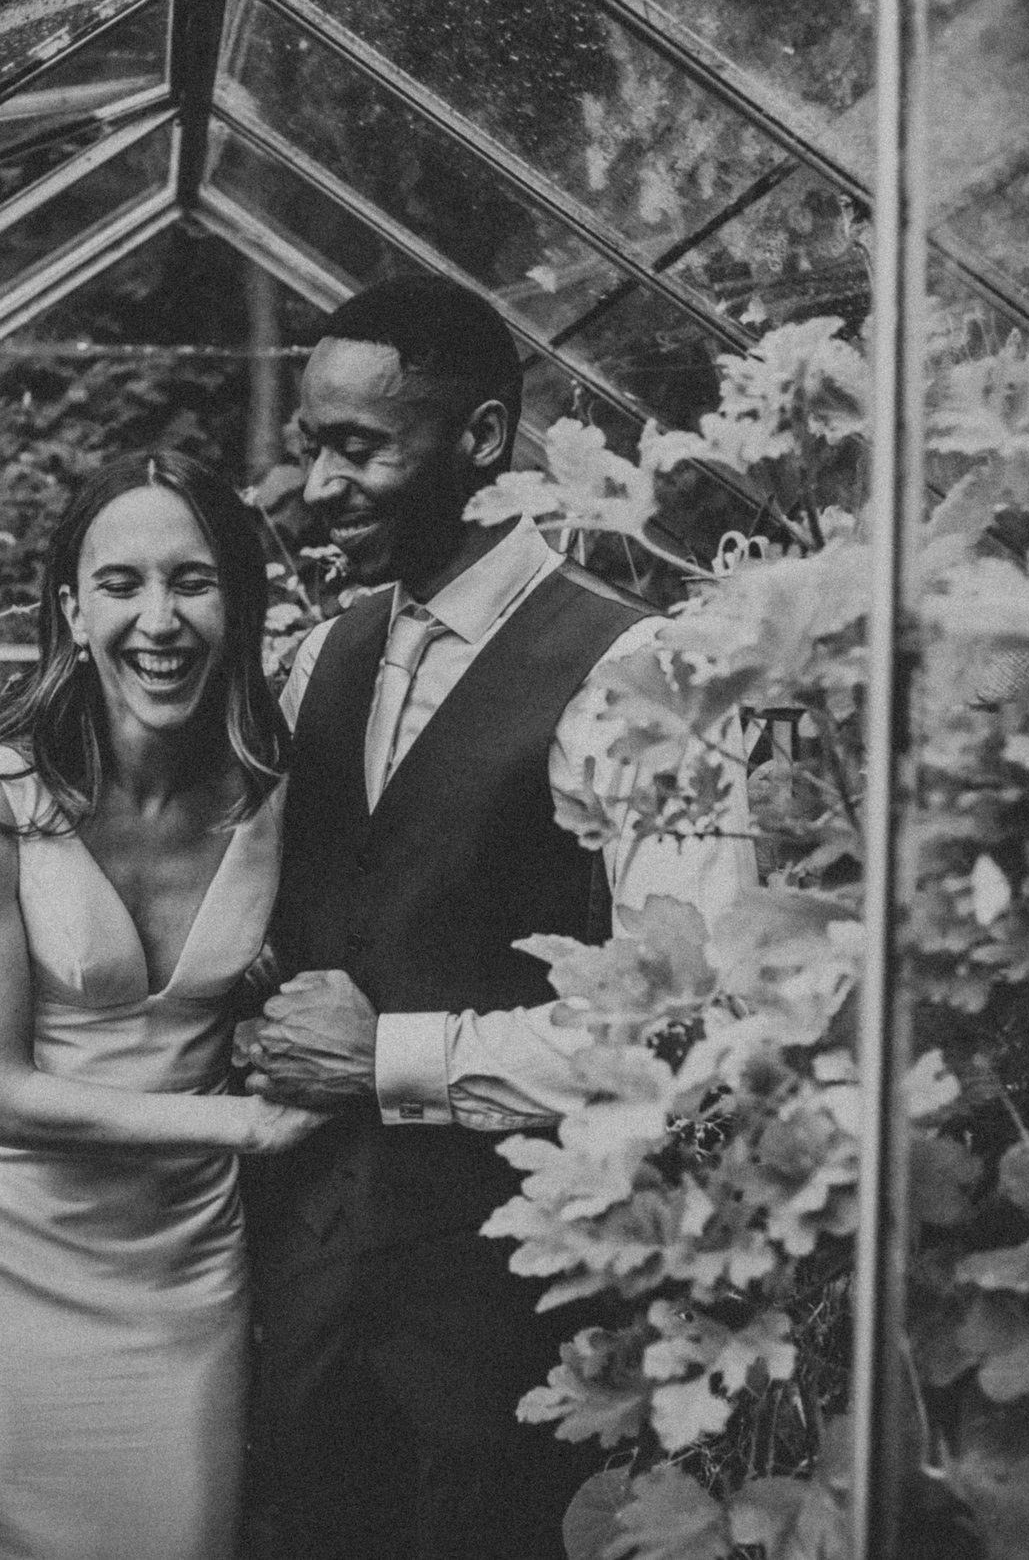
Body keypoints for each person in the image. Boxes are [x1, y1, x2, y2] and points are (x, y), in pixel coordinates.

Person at [236, 276, 758, 1560]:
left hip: (511, 1330)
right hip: (302, 1313)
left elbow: (694, 1030)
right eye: (313, 446)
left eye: (361, 446)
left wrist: (392, 1056)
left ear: (477, 439)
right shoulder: (317, 662)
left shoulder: (647, 678)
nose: (317, 487)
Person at [0, 448, 328, 1560]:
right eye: (123, 583)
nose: (159, 618)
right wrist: (243, 1120)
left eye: (192, 580)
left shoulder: (286, 795)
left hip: (184, 1260)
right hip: (1, 1249)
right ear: (72, 611)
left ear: (238, 603)